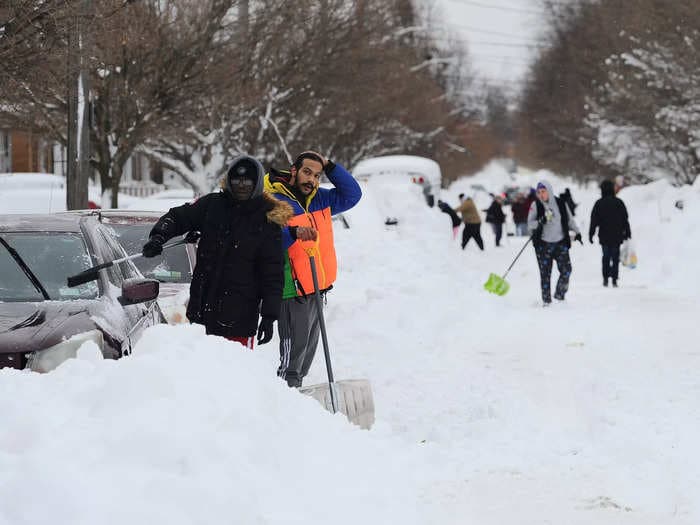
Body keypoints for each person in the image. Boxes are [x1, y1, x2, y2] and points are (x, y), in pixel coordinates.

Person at [142, 155, 293, 348]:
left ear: (256, 183)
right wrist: (159, 237)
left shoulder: (267, 219)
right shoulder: (212, 204)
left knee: (234, 374)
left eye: (247, 180)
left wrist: (270, 316)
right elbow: (178, 217)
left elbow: (272, 273)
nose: (241, 184)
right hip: (201, 313)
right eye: (236, 179)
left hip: (240, 318)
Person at [266, 151, 362, 388]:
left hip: (316, 289)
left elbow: (353, 195)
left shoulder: (319, 199)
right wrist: (294, 234)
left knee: (305, 356)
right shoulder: (277, 202)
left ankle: (296, 402)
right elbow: (270, 244)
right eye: (307, 172)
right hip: (293, 292)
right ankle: (281, 401)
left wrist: (330, 165)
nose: (312, 180)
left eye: (317, 175)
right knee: (291, 362)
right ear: (294, 170)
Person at [527, 180, 582, 306]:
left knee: (567, 270)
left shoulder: (560, 203)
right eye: (539, 192)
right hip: (543, 245)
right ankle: (546, 301)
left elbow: (569, 220)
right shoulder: (536, 205)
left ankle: (559, 294)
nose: (541, 195)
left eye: (543, 192)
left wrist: (577, 232)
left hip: (560, 243)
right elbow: (529, 225)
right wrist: (541, 221)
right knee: (545, 274)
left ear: (549, 191)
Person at [589, 179, 631, 287]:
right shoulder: (619, 202)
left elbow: (594, 220)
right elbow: (625, 219)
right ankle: (614, 280)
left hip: (604, 235)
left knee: (606, 257)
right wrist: (627, 232)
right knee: (615, 257)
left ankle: (605, 278)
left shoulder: (599, 203)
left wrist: (591, 234)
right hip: (617, 235)